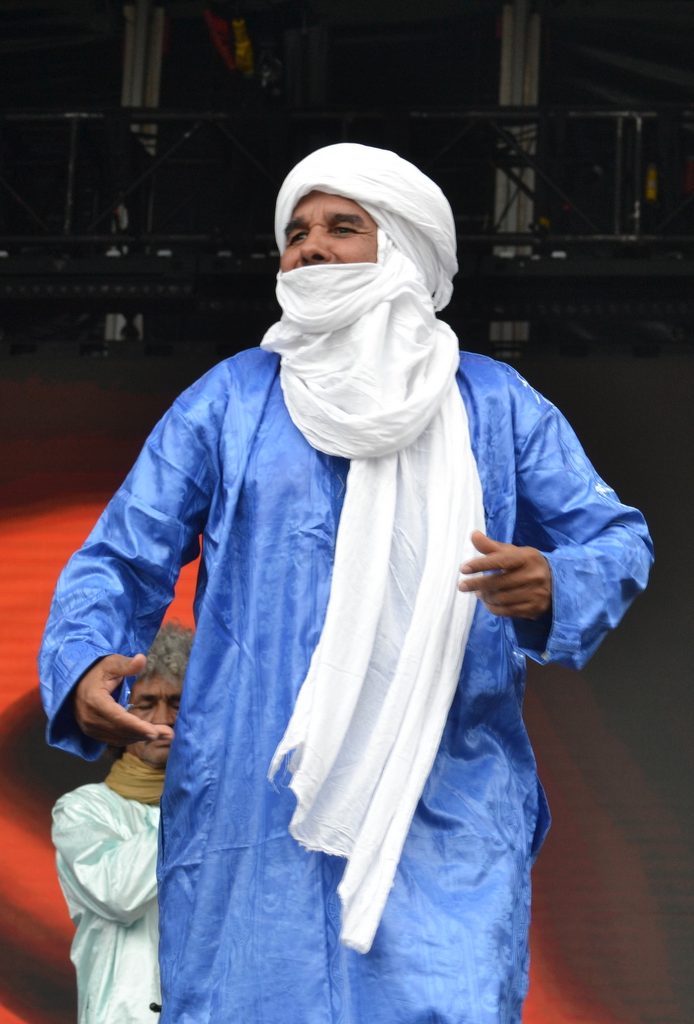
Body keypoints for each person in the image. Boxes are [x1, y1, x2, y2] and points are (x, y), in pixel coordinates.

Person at [40, 144, 652, 1024]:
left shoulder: (492, 402)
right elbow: (121, 553)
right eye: (296, 234)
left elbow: (615, 538)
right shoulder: (232, 399)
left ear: (400, 245)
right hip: (253, 800)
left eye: (341, 228)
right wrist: (87, 653)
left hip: (443, 800)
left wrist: (559, 579)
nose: (310, 248)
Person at [51, 622, 193, 1024]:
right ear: (114, 716)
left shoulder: (226, 809)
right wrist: (193, 797)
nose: (163, 719)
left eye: (177, 702)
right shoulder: (82, 810)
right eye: (145, 703)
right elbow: (120, 893)